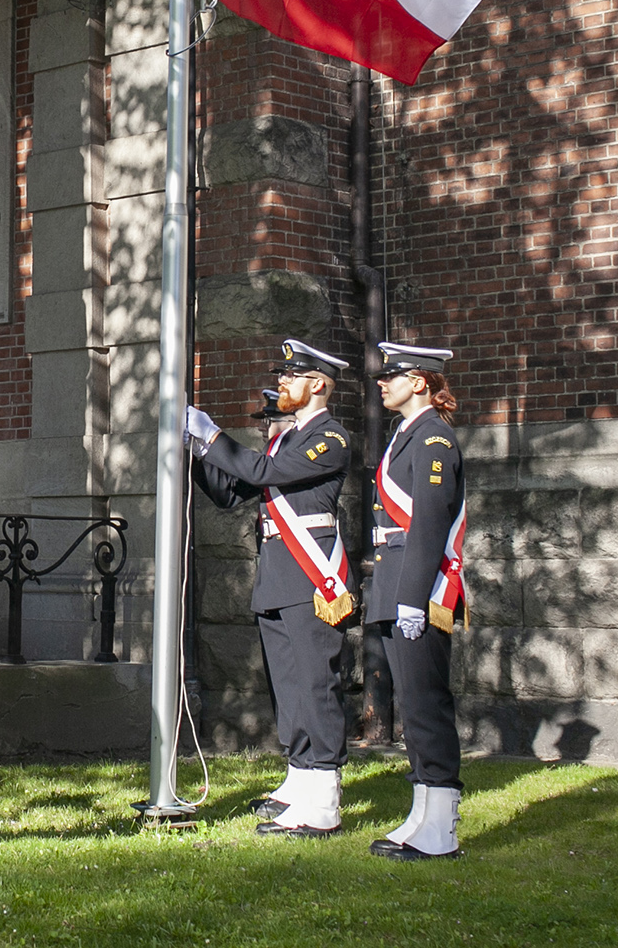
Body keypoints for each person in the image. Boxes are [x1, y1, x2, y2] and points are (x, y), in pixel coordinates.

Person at [185, 338, 353, 838]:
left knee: (316, 684)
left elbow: (264, 472)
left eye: (291, 377)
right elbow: (229, 493)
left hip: (312, 577)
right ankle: (301, 780)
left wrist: (214, 436)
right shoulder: (288, 441)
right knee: (289, 685)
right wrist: (196, 452)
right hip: (280, 576)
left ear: (318, 384)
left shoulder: (331, 437)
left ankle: (324, 795)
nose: (281, 384)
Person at [365, 341, 468, 861]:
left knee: (426, 706)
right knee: (412, 704)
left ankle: (443, 827)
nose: (383, 382)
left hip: (420, 589)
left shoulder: (433, 439)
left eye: (393, 375)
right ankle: (422, 814)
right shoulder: (406, 436)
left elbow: (428, 523)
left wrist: (412, 599)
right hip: (396, 581)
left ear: (421, 382)